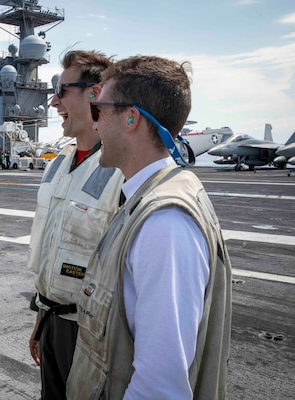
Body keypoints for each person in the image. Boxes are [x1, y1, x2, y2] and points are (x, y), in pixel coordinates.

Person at [66, 55, 232, 399]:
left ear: (131, 117)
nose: (94, 125)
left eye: (98, 110)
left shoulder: (165, 223)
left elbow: (160, 387)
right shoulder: (147, 198)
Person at [27, 50, 124, 400]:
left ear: (94, 93)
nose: (53, 102)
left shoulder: (119, 168)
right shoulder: (57, 163)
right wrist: (41, 316)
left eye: (61, 90)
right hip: (52, 320)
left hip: (92, 331)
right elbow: (51, 247)